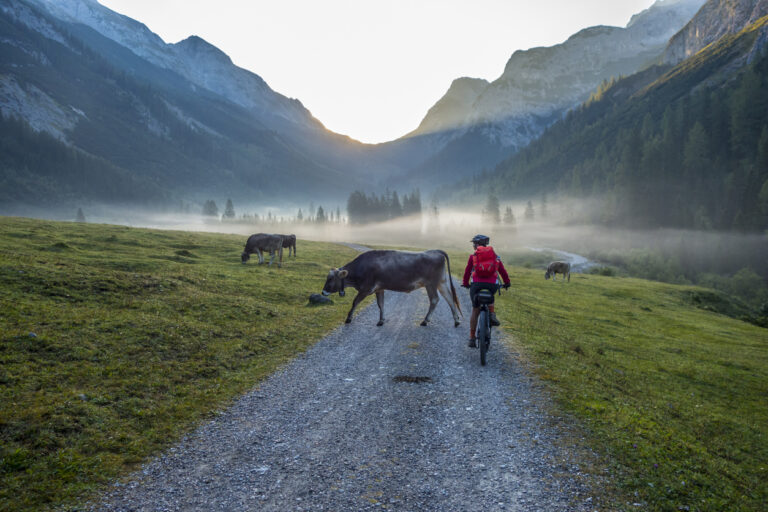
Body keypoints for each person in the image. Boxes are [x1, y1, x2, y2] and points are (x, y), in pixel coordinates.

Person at [461, 234, 510, 348]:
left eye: (474, 244)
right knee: (490, 296)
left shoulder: (473, 256)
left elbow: (467, 272)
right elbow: (502, 271)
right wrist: (507, 282)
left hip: (476, 285)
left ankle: (472, 338)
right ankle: (492, 314)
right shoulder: (495, 256)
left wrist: (465, 283)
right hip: (492, 285)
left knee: (475, 310)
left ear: (476, 245)